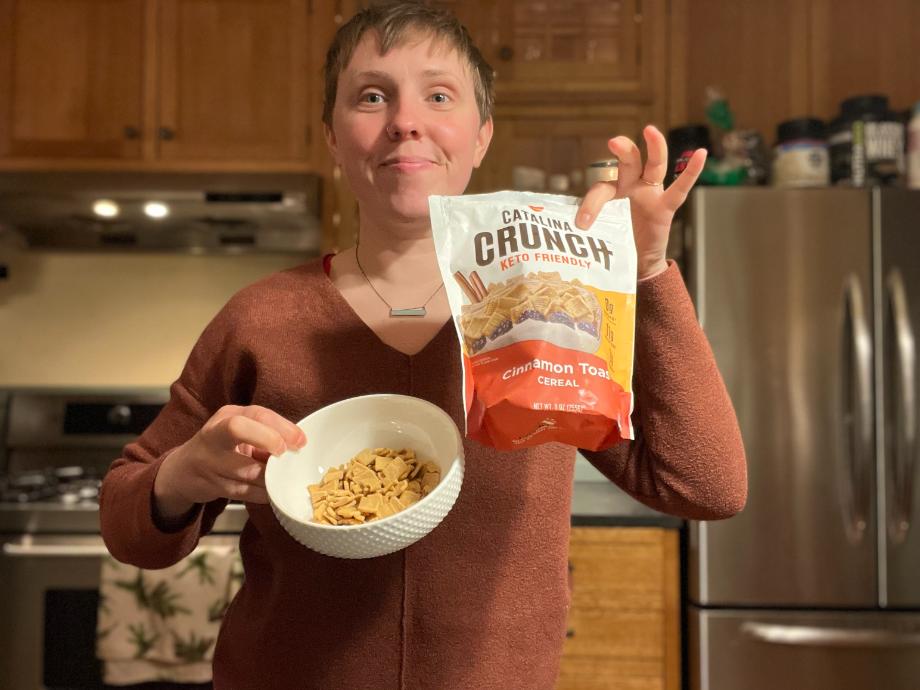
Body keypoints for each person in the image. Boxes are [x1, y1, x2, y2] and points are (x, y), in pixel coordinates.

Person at [100, 3, 747, 689]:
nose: (405, 120)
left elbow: (706, 486)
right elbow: (127, 519)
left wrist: (645, 269)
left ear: (480, 137)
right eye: (372, 96)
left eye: (438, 95)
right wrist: (181, 477)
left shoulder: (542, 314)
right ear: (332, 136)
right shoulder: (260, 319)